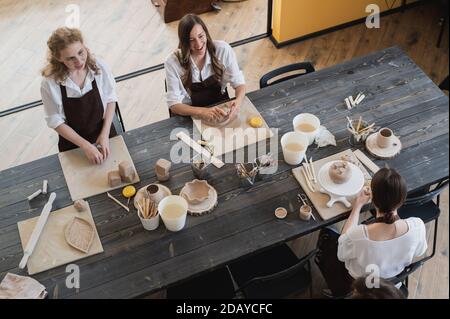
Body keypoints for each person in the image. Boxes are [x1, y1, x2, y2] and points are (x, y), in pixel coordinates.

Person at [315, 168, 428, 298]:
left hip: (361, 289)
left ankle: (338, 290)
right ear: (402, 199)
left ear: (373, 197)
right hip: (390, 287)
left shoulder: (359, 236)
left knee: (328, 239)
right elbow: (420, 251)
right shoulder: (417, 226)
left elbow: (341, 252)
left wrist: (357, 206)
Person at [41, 27, 118, 164]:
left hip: (104, 134)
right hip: (73, 145)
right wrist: (85, 145)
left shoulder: (99, 67)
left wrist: (104, 135)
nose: (79, 61)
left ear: (84, 46)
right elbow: (55, 121)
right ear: (59, 58)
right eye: (71, 58)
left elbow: (111, 99)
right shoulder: (50, 84)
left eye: (81, 52)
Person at [164, 14, 246, 122]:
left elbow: (239, 84)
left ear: (206, 33)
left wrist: (238, 103)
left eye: (201, 36)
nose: (198, 44)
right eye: (191, 40)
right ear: (184, 42)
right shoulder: (172, 62)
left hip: (221, 108)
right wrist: (202, 112)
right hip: (191, 113)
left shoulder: (223, 50)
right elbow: (174, 105)